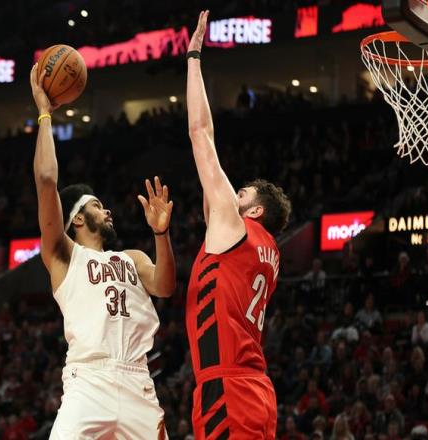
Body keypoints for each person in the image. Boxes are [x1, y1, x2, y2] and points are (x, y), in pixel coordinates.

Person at [30, 63, 176, 439]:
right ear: (77, 218)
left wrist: (161, 233)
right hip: (88, 382)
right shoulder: (64, 257)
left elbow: (165, 286)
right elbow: (45, 179)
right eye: (97, 205)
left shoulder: (132, 259)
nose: (107, 210)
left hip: (137, 380)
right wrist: (44, 113)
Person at [185, 11, 292, 440]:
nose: (232, 196)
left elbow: (200, 132)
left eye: (242, 193)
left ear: (256, 211)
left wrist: (193, 57)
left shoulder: (236, 227)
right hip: (255, 390)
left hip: (228, 388)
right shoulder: (270, 251)